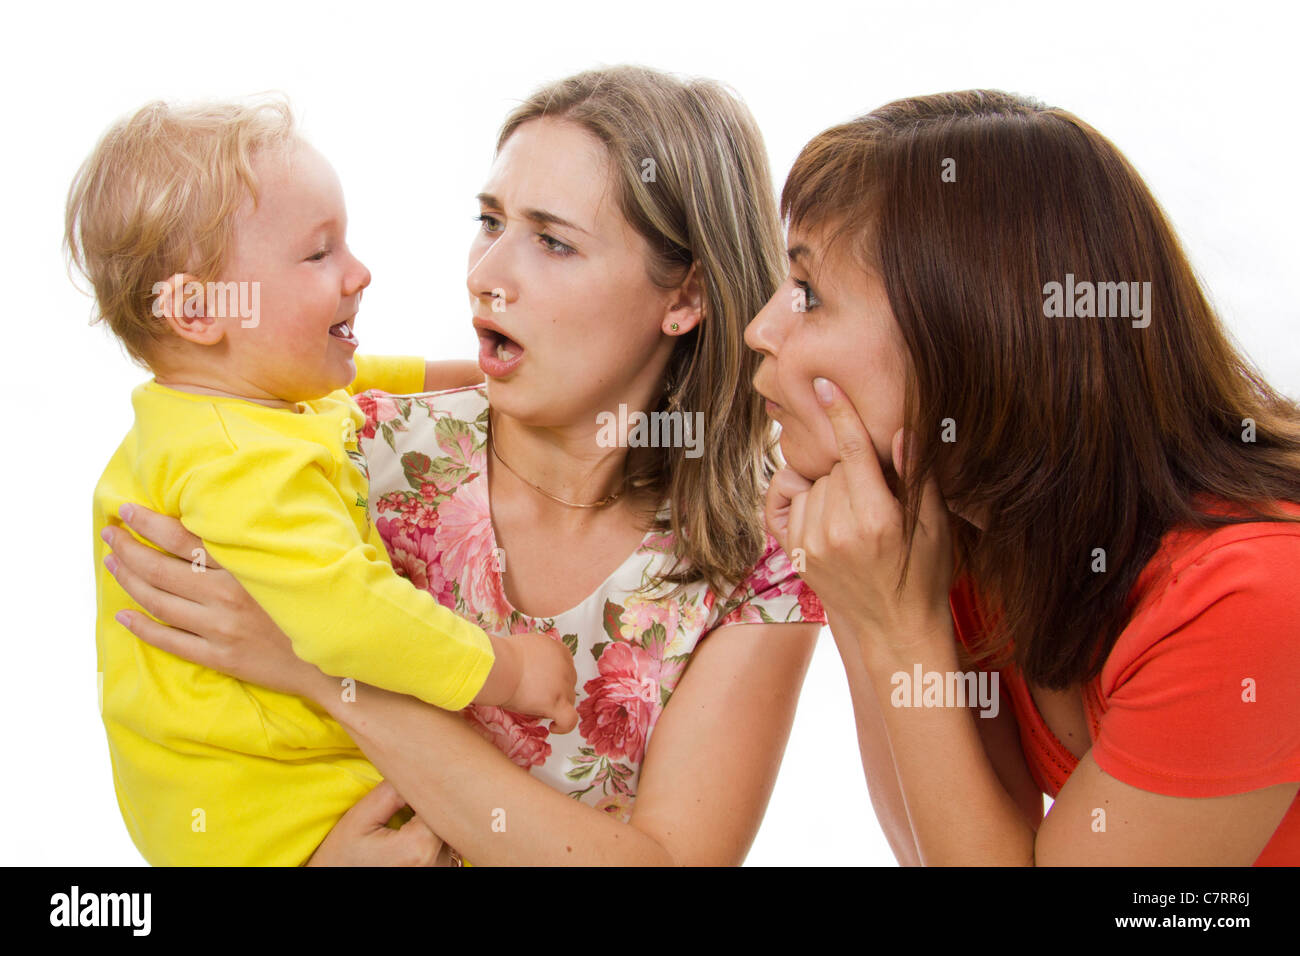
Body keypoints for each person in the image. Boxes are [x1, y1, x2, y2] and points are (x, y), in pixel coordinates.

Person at [100, 66, 825, 866]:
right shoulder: (330, 453)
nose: (485, 276)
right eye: (490, 222)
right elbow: (192, 767)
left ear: (684, 296)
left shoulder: (763, 554)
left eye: (552, 241)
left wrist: (320, 674)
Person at [750, 89, 1300, 865]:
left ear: (972, 340)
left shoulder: (1251, 596)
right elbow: (949, 845)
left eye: (807, 295)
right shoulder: (966, 528)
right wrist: (864, 601)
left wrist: (897, 630)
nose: (760, 329)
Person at [72, 98, 577, 866]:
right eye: (318, 255)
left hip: (209, 804)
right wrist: (505, 670)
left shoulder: (222, 409)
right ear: (198, 309)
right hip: (277, 814)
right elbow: (349, 618)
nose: (359, 271)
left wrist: (476, 375)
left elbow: (362, 382)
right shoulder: (243, 463)